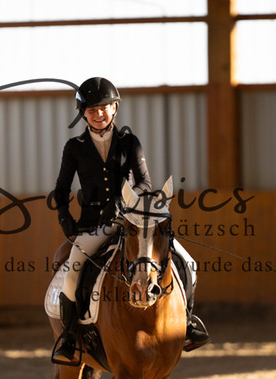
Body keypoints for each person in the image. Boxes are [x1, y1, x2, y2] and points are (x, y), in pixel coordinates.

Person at [52, 77, 209, 362]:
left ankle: (187, 323)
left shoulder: (129, 142)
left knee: (188, 262)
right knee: (74, 269)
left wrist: (121, 201)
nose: (98, 114)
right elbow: (61, 189)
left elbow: (145, 182)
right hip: (95, 226)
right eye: (91, 110)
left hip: (131, 220)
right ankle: (70, 336)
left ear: (114, 108)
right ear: (84, 114)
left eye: (104, 108)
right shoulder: (74, 147)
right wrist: (65, 219)